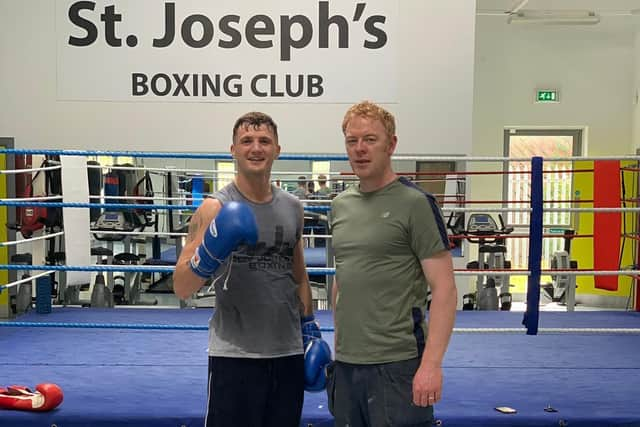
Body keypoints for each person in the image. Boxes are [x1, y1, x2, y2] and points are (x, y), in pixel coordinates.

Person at [173, 112, 330, 427]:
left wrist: (309, 325)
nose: (255, 148)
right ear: (233, 150)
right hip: (235, 356)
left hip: (287, 352)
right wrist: (209, 252)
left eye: (264, 141)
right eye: (246, 141)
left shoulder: (293, 207)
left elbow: (298, 275)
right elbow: (181, 286)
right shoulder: (214, 209)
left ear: (277, 150)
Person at [329, 101, 458, 426]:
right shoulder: (340, 205)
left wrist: (431, 365)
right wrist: (339, 345)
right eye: (352, 140)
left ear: (392, 144)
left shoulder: (415, 204)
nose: (359, 149)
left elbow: (444, 289)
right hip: (346, 364)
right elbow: (343, 277)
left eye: (370, 139)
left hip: (398, 364)